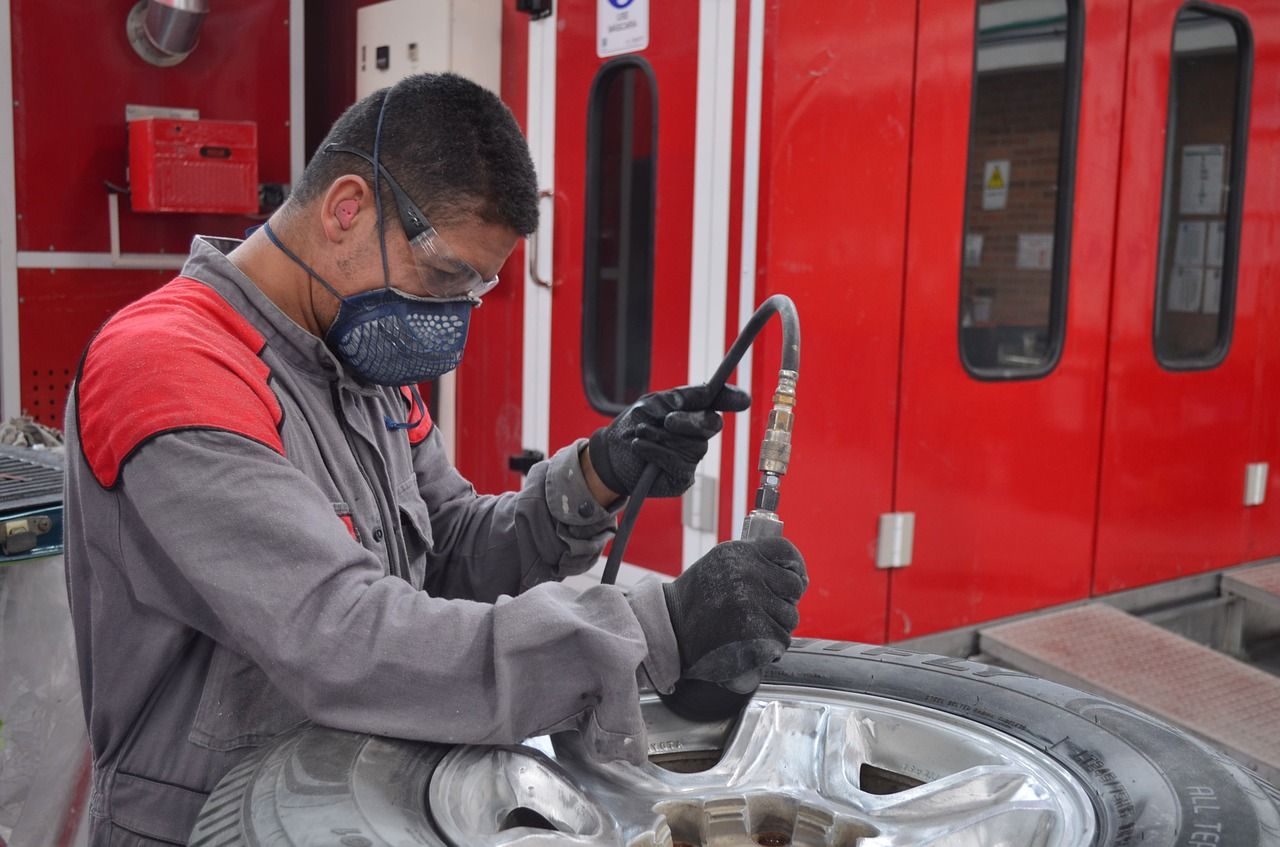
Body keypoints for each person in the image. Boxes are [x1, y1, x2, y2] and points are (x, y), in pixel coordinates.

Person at [63, 73, 807, 845]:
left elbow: (449, 547)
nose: (451, 320)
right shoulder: (171, 367)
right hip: (201, 824)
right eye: (445, 276)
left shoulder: (360, 365)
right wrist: (655, 629)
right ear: (346, 208)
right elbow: (343, 637)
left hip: (360, 801)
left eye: (474, 291)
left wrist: (600, 474)